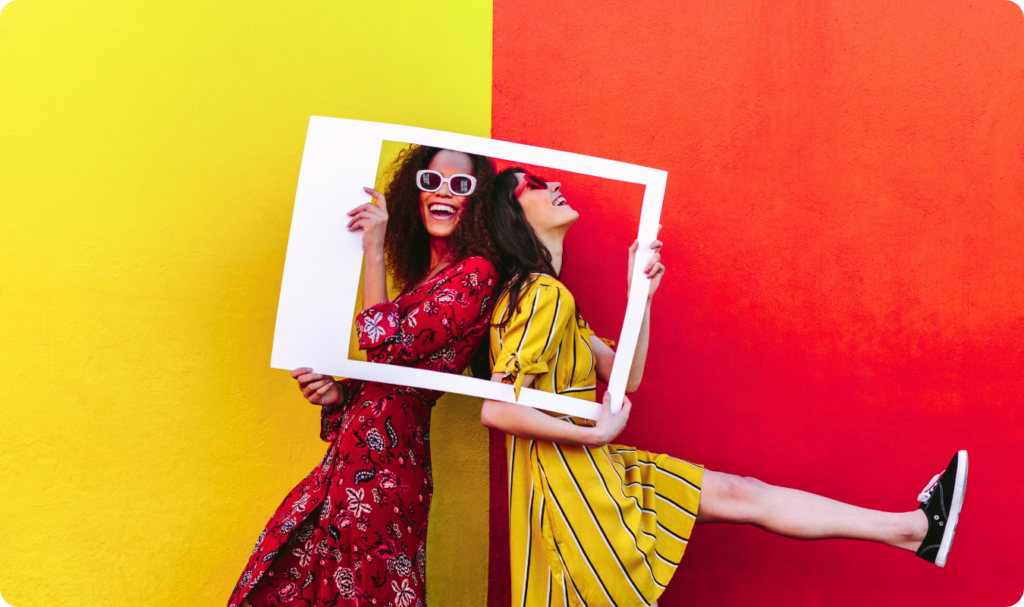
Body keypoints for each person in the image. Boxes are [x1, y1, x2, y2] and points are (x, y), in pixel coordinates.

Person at [479, 167, 968, 607]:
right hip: (574, 490)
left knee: (743, 493)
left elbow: (626, 376)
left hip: (589, 476)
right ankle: (912, 529)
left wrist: (639, 299)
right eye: (535, 186)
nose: (556, 186)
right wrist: (596, 434)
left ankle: (914, 529)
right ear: (512, 218)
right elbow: (496, 410)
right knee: (743, 496)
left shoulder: (553, 297)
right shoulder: (542, 295)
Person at [229, 146, 499, 607]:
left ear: (478, 201)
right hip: (350, 459)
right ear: (414, 193)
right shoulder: (423, 278)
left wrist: (373, 249)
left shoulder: (476, 273)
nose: (445, 193)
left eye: (461, 185)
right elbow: (387, 371)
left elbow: (386, 346)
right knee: (288, 583)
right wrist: (337, 394)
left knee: (368, 594)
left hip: (390, 470)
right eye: (431, 182)